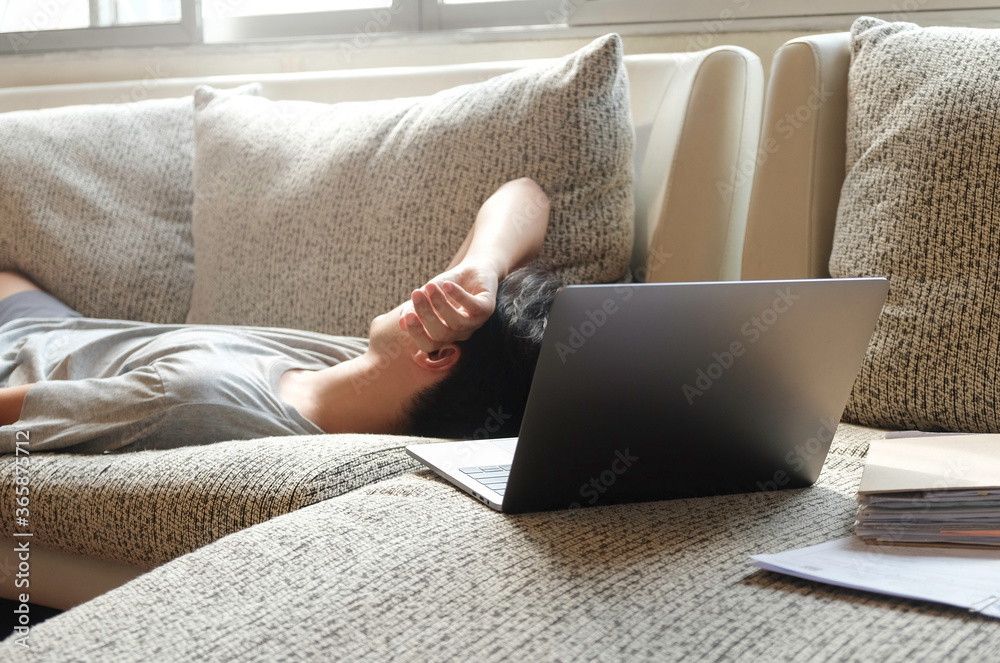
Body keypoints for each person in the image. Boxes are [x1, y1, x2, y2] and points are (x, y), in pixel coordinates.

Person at [0, 177, 563, 453]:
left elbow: (13, 418)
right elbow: (524, 195)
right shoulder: (364, 376)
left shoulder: (201, 399)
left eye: (442, 295)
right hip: (51, 322)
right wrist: (484, 266)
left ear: (437, 352)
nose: (428, 288)